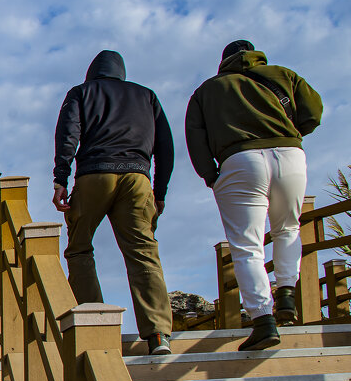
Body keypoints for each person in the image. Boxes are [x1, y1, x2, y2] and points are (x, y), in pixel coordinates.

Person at [186, 39, 323, 351]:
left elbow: (195, 135)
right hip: (290, 154)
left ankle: (263, 321)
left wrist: (210, 175)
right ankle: (287, 294)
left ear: (223, 61)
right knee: (288, 227)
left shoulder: (208, 90)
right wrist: (290, 132)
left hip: (239, 160)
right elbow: (314, 111)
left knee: (247, 247)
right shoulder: (284, 75)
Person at [53, 50, 175, 355]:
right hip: (137, 177)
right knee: (143, 252)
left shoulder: (81, 93)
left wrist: (60, 179)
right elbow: (166, 147)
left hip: (94, 175)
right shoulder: (146, 96)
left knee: (80, 248)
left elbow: (68, 135)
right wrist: (159, 194)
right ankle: (158, 333)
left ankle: (94, 324)